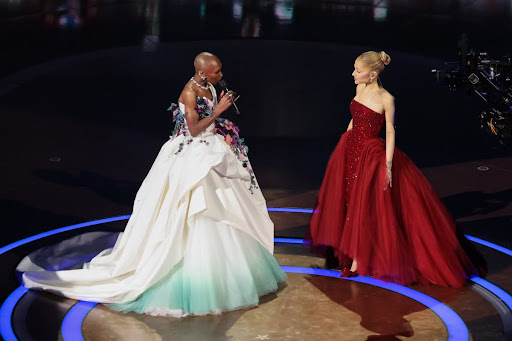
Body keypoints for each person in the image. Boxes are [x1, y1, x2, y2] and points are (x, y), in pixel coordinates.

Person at [17, 52, 286, 316]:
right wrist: (218, 111)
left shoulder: (208, 86)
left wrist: (222, 125)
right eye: (217, 72)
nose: (221, 75)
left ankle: (228, 270)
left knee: (222, 207)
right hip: (192, 153)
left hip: (210, 150)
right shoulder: (190, 93)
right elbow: (193, 130)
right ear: (203, 72)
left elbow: (208, 125)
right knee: (192, 208)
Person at [306, 51, 485, 287]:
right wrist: (345, 140)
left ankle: (359, 260)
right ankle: (349, 254)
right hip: (350, 151)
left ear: (373, 74)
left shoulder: (386, 99)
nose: (353, 74)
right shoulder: (359, 90)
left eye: (358, 70)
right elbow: (354, 119)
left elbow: (390, 131)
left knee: (366, 206)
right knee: (350, 201)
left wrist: (388, 164)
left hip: (371, 155)